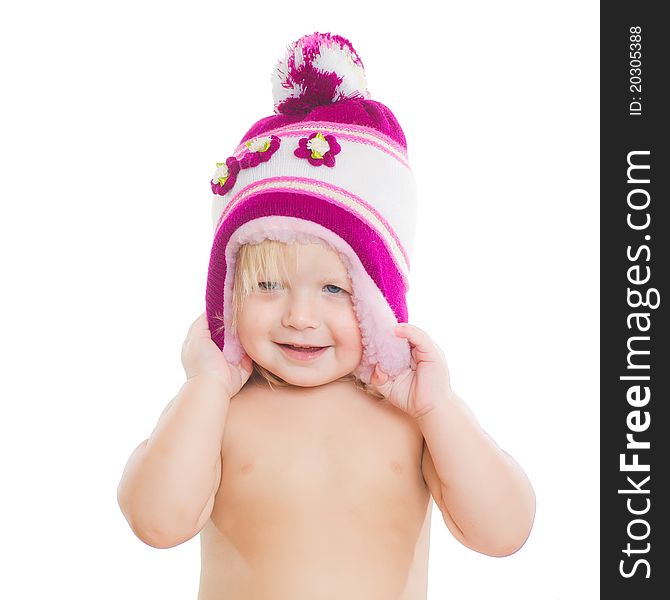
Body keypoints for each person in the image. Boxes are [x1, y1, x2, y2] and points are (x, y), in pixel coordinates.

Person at [117, 32, 536, 599]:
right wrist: (206, 388)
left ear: (378, 298)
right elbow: (157, 522)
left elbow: (504, 531)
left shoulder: (414, 416)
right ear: (226, 294)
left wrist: (437, 408)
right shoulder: (219, 409)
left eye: (336, 289)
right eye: (266, 285)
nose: (299, 316)